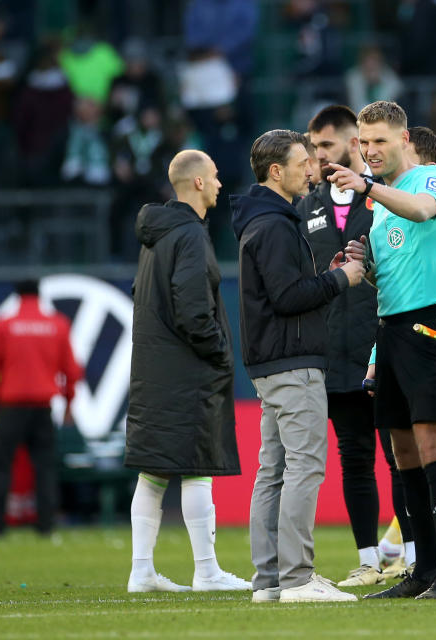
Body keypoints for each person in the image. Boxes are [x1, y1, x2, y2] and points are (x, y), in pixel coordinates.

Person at [333, 101, 436, 600]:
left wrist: (366, 185)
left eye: (379, 142)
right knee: (402, 452)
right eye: (363, 144)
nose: (370, 152)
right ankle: (425, 570)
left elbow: (425, 212)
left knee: (434, 446)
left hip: (429, 324)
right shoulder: (377, 200)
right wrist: (361, 263)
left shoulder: (430, 178)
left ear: (405, 138)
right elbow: (393, 269)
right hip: (389, 330)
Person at [232, 129, 365, 603]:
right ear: (276, 171)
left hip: (272, 362)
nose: (311, 170)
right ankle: (296, 577)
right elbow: (288, 298)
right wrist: (340, 278)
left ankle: (269, 580)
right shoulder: (274, 225)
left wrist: (322, 276)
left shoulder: (264, 220)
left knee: (274, 469)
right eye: (301, 162)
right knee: (303, 467)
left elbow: (284, 290)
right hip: (292, 363)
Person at [123, 149, 249, 593]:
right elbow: (193, 310)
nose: (218, 184)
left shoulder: (155, 236)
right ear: (196, 183)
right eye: (214, 177)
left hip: (154, 371)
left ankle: (142, 573)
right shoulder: (191, 236)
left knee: (153, 470)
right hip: (187, 370)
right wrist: (218, 354)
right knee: (197, 467)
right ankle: (207, 571)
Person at [297, 104, 411, 586]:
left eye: (327, 145)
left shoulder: (387, 196)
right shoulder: (307, 205)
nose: (319, 155)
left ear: (354, 144)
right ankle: (368, 559)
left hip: (383, 346)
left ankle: (412, 553)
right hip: (334, 355)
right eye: (313, 146)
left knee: (401, 455)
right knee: (355, 457)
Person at [0, 280, 82, 536]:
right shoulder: (57, 324)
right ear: (38, 295)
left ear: (17, 295)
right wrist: (68, 404)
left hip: (10, 406)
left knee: (0, 464)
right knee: (44, 465)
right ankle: (46, 524)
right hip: (43, 407)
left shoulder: (3, 325)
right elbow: (72, 371)